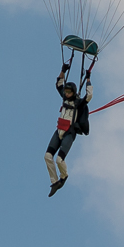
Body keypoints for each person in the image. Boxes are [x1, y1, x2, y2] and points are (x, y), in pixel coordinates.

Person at [45, 61, 91, 196]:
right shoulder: (64, 98)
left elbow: (89, 96)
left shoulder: (78, 102)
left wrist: (88, 79)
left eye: (69, 92)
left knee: (59, 160)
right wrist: (63, 71)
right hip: (59, 130)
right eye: (66, 91)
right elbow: (59, 84)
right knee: (47, 156)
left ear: (74, 92)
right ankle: (55, 182)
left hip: (69, 133)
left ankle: (64, 177)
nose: (66, 93)